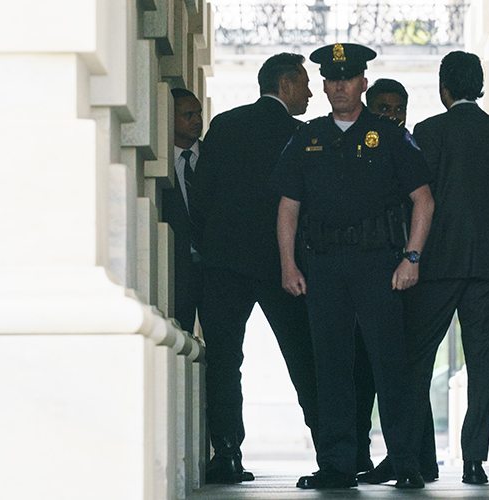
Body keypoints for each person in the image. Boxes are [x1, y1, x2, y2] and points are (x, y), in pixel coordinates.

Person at [275, 43, 435, 490]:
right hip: (323, 266)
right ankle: (338, 465)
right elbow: (288, 206)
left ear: (362, 83)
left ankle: (405, 461)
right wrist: (288, 264)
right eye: (331, 78)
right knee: (331, 366)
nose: (339, 85)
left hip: (379, 265)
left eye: (348, 78)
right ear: (324, 85)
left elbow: (423, 199)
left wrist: (412, 257)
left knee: (390, 366)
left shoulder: (388, 135)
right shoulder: (307, 137)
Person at [192, 53, 318, 484]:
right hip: (283, 266)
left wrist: (211, 244)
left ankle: (226, 453)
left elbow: (202, 194)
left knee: (225, 360)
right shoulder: (301, 135)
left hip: (224, 263)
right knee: (305, 358)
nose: (310, 92)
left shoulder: (224, 125)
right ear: (284, 85)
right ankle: (334, 453)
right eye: (303, 84)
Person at [407, 50, 489, 484]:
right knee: (481, 363)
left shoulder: (427, 132)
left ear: (444, 89)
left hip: (437, 263)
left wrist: (410, 255)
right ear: (479, 85)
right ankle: (474, 460)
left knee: (417, 360)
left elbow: (417, 201)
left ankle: (415, 457)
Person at [354, 78, 440, 485]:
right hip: (373, 269)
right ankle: (387, 455)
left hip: (411, 272)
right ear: (370, 108)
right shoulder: (363, 147)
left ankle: (415, 457)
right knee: (375, 368)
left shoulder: (410, 146)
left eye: (398, 108)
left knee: (406, 368)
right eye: (383, 108)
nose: (392, 115)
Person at [162, 88, 204, 334]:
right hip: (175, 270)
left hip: (213, 271)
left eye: (198, 113)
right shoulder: (158, 162)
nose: (197, 120)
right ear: (170, 117)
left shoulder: (215, 159)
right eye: (188, 115)